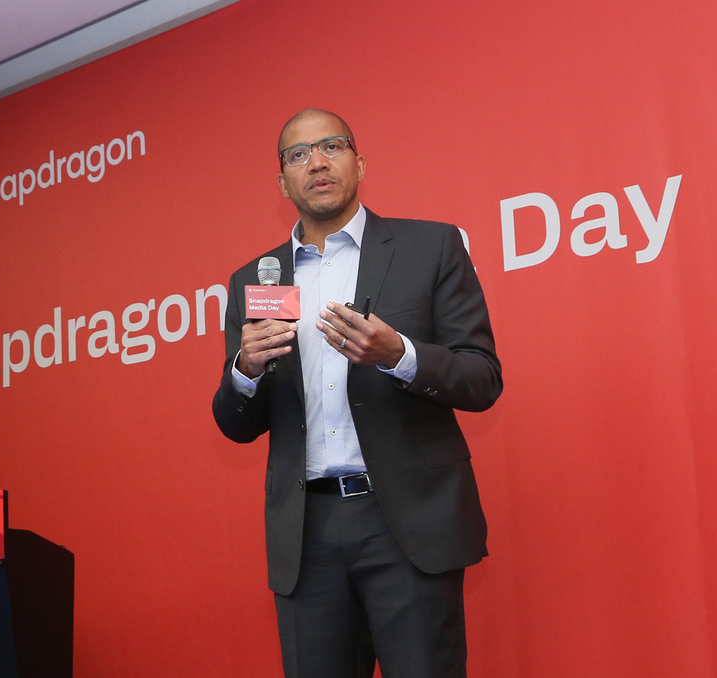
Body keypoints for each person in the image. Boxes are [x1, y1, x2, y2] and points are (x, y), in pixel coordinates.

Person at [212, 109, 503, 678]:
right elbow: (236, 423)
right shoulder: (256, 279)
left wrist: (400, 355)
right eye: (297, 155)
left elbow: (482, 378)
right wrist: (243, 369)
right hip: (307, 535)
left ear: (358, 162)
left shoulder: (431, 247)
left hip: (407, 523)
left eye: (331, 146)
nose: (316, 162)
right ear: (282, 183)